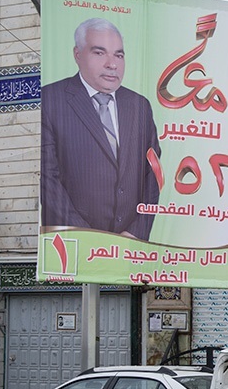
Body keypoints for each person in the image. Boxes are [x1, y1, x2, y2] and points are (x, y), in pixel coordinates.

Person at [41, 17, 160, 239]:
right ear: (77, 54)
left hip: (129, 245)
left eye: (119, 55)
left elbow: (152, 175)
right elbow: (47, 179)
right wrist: (89, 237)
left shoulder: (139, 105)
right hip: (73, 243)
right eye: (99, 53)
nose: (112, 64)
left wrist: (136, 232)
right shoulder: (51, 99)